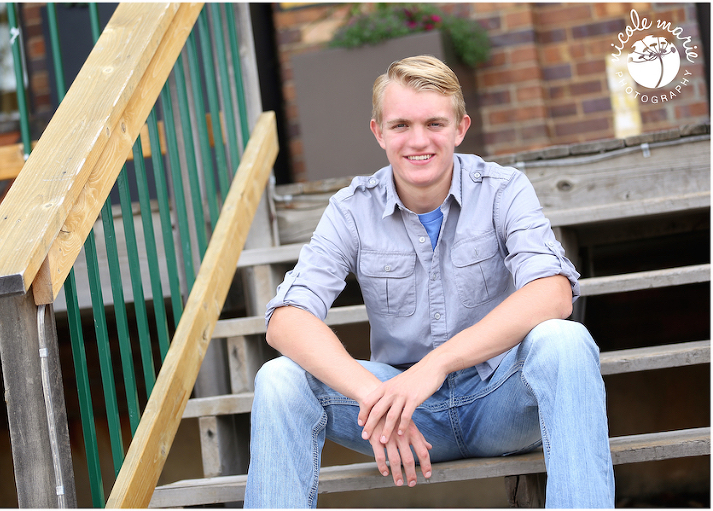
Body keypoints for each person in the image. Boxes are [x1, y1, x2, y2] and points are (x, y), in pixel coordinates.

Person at [244, 55, 614, 508]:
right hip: (403, 413)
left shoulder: (502, 189)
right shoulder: (351, 209)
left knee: (565, 341)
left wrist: (434, 366)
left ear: (460, 128)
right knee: (279, 378)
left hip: (498, 400)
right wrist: (377, 398)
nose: (418, 141)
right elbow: (286, 320)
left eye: (434, 123)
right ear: (379, 133)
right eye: (400, 125)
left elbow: (553, 292)